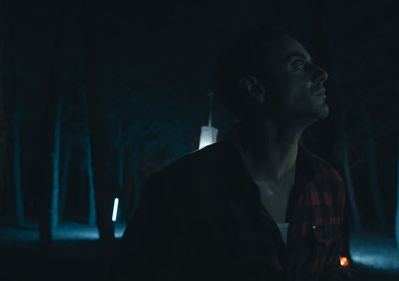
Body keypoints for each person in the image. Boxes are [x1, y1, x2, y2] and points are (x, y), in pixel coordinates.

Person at [107, 27, 353, 281]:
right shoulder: (178, 189)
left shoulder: (327, 184)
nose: (322, 74)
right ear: (255, 89)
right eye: (298, 65)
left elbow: (331, 270)